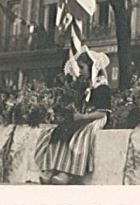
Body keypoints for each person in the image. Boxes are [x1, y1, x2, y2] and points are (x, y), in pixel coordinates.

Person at [34, 46, 111, 185]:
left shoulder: (102, 88)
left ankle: (68, 172)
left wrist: (82, 117)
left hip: (95, 118)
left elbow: (103, 112)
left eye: (82, 68)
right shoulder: (86, 87)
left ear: (92, 67)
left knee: (80, 136)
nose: (80, 71)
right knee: (59, 131)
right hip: (84, 117)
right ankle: (52, 168)